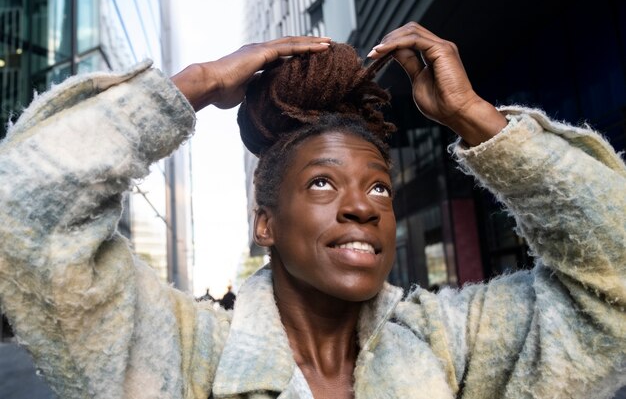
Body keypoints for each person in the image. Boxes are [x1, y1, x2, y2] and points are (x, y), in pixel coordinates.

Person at [0, 22, 624, 399]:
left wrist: (479, 121)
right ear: (264, 223)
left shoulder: (452, 345)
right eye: (323, 184)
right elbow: (23, 211)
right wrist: (195, 85)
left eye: (380, 188)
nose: (361, 206)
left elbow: (612, 283)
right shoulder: (181, 357)